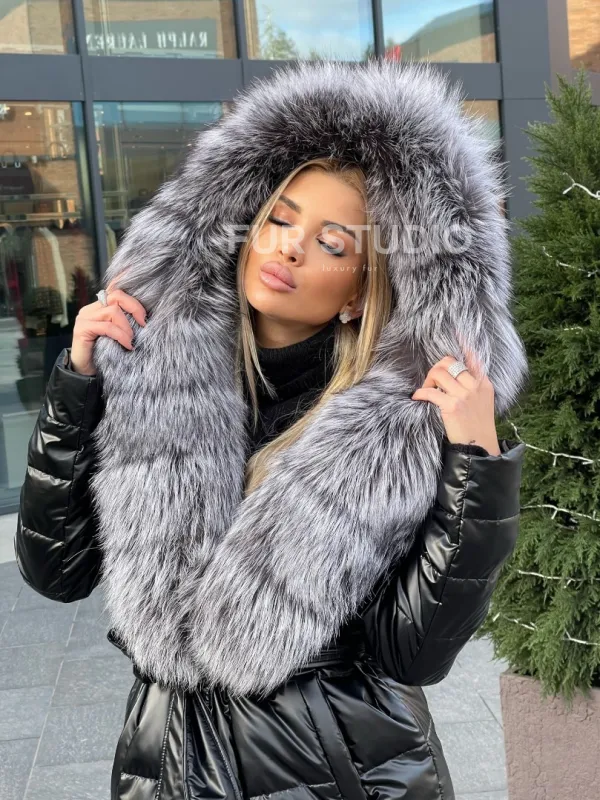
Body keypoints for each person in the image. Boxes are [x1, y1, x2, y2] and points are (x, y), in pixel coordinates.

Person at [15, 58, 528, 800]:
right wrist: (77, 387)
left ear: (360, 295)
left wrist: (475, 465)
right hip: (168, 760)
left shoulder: (396, 433)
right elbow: (54, 572)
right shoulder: (152, 379)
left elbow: (413, 654)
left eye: (332, 243)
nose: (289, 246)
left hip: (339, 764)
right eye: (280, 220)